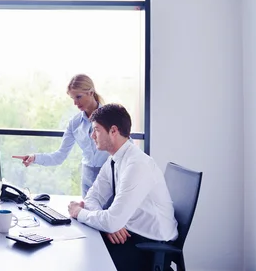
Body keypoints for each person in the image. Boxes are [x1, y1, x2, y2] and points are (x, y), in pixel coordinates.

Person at [67, 104, 178, 271]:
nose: (92, 136)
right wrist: (108, 224)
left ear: (113, 131)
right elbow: (93, 196)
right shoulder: (114, 159)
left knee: (86, 258)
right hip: (128, 233)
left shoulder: (137, 164)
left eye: (96, 130)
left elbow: (111, 221)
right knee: (81, 247)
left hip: (149, 245)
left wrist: (80, 212)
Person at [13, 74, 109, 197]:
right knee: (87, 214)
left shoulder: (111, 116)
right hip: (87, 178)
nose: (75, 103)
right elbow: (60, 156)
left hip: (109, 177)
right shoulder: (74, 123)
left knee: (110, 215)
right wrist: (34, 157)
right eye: (73, 98)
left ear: (91, 92)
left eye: (78, 97)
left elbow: (126, 148)